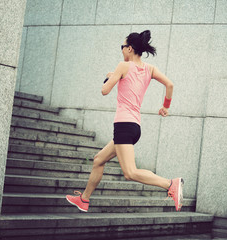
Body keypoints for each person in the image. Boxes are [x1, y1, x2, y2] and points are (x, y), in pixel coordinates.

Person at [66, 30, 184, 213]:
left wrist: (110, 76)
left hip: (123, 125)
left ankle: (170, 184)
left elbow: (104, 91)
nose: (121, 50)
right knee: (98, 160)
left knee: (130, 173)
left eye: (123, 47)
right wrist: (165, 107)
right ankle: (84, 199)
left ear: (130, 48)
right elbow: (170, 84)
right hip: (134, 127)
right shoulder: (149, 69)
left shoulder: (123, 66)